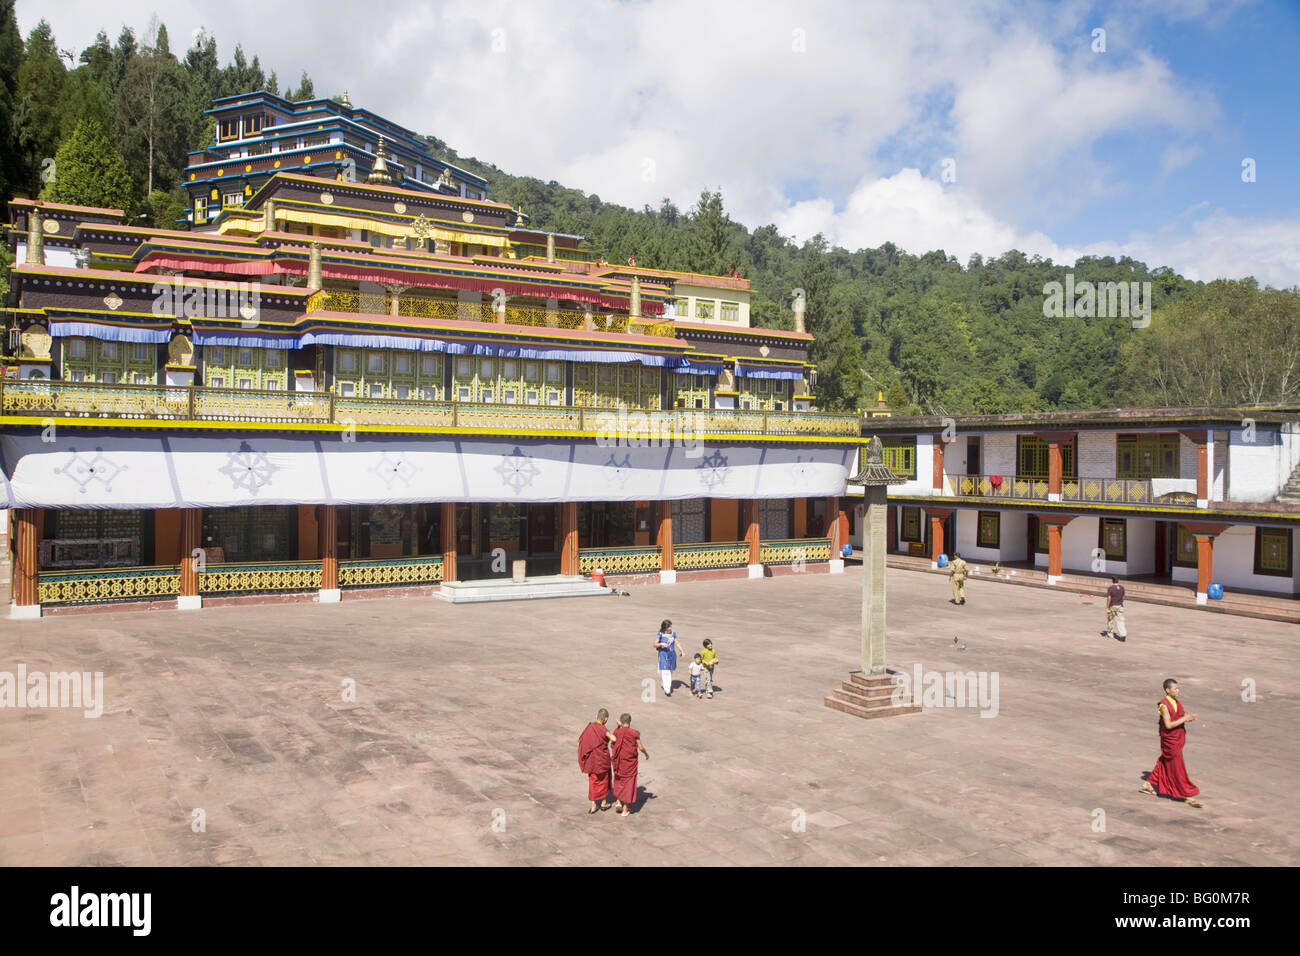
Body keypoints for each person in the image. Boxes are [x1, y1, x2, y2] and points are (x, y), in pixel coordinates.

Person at [1139, 679, 1202, 808]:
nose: (1178, 691)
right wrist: (1184, 718)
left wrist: (1188, 717)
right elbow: (1168, 725)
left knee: (1165, 761)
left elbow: (1178, 715)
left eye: (1178, 689)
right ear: (1168, 690)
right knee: (1177, 767)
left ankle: (1149, 784)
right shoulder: (1164, 705)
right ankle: (1187, 794)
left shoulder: (1175, 702)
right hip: (1170, 740)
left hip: (1176, 739)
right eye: (1175, 689)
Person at [578, 708, 617, 814]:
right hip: (602, 760)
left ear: (596, 717)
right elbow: (614, 739)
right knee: (604, 780)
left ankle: (594, 806)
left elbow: (582, 741)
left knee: (593, 781)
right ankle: (604, 803)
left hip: (592, 761)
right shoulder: (603, 730)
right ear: (606, 719)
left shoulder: (590, 728)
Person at [611, 713, 649, 816]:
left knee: (619, 780)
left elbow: (613, 743)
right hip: (630, 763)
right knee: (628, 784)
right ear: (630, 722)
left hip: (619, 762)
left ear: (621, 721)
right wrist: (646, 754)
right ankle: (625, 809)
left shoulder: (617, 731)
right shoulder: (634, 733)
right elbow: (640, 747)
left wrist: (619, 727)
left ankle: (618, 802)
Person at [654, 619, 680, 697]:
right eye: (669, 626)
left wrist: (682, 651)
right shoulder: (660, 634)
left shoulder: (673, 633)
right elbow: (655, 644)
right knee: (666, 672)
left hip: (672, 655)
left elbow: (677, 642)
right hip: (663, 654)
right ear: (665, 627)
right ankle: (667, 690)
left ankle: (664, 683)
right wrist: (661, 643)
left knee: (670, 671)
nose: (671, 628)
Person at [1105, 576, 1127, 642]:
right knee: (1120, 621)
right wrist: (1121, 603)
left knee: (1110, 620)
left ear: (1112, 581)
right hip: (1119, 606)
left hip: (1112, 606)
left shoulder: (1110, 588)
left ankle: (1110, 634)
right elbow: (1123, 597)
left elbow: (1109, 598)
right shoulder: (1122, 588)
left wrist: (1107, 607)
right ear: (1118, 581)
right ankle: (1123, 634)